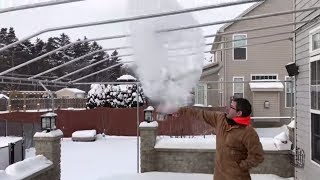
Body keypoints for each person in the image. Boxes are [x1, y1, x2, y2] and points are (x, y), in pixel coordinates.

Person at [176, 98, 264, 180]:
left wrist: (240, 167)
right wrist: (180, 110)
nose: (228, 109)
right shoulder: (220, 119)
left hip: (237, 177)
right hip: (219, 176)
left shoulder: (248, 132)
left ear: (239, 113)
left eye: (231, 107)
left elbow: (257, 156)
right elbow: (201, 114)